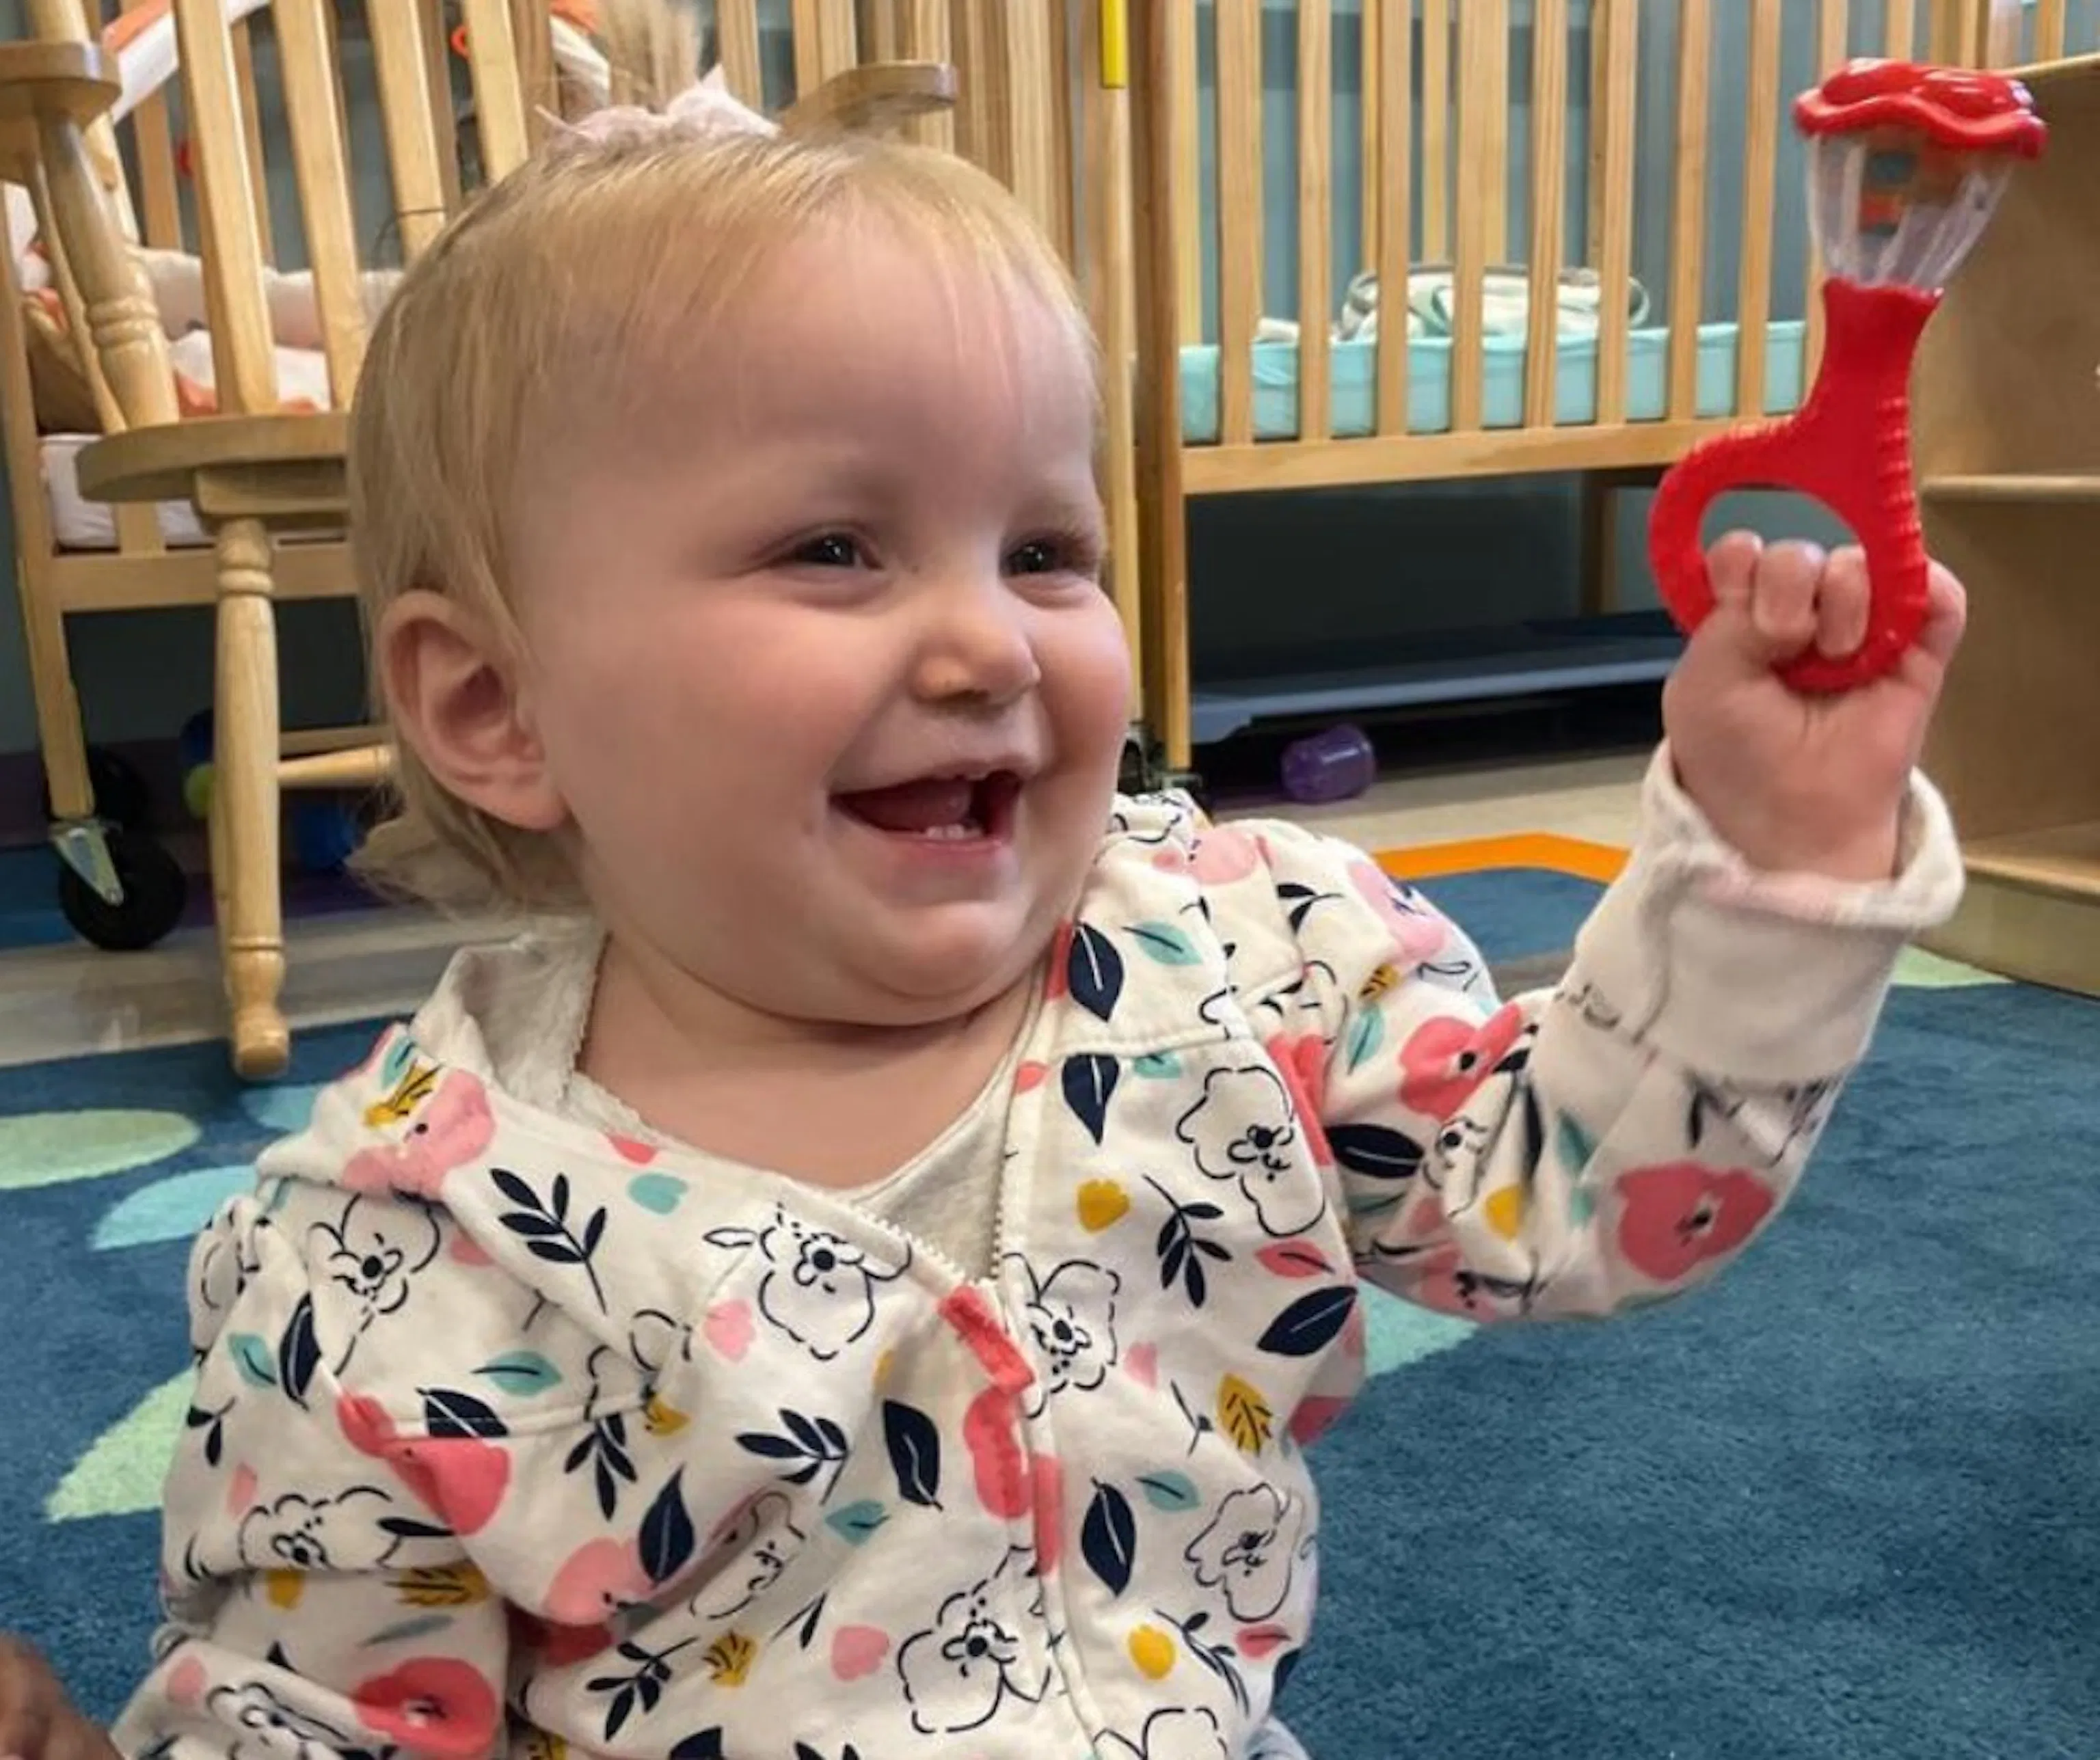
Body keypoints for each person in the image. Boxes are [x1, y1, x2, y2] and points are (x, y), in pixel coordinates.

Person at [0, 18, 1967, 1760]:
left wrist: (1775, 861)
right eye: (835, 548)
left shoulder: (1246, 957)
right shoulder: (390, 1262)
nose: (990, 644)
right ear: (497, 708)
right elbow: (315, 1707)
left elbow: (1570, 1195)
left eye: (1044, 550)